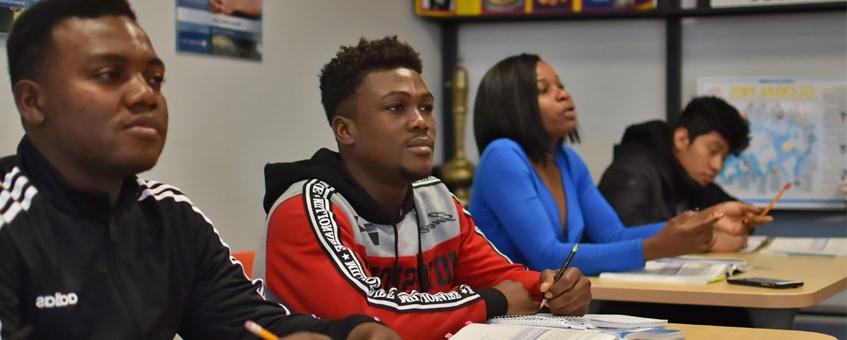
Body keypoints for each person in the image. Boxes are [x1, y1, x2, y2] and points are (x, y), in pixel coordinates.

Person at [0, 1, 396, 339]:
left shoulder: (169, 218)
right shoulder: (10, 224)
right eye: (109, 75)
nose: (145, 95)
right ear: (33, 102)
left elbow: (254, 326)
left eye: (154, 79)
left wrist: (353, 331)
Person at [258, 37, 592, 340]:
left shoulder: (434, 197)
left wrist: (558, 288)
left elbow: (511, 280)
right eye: (396, 107)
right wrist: (494, 300)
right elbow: (368, 321)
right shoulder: (303, 209)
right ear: (345, 130)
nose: (421, 122)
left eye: (426, 107)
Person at [468, 54, 770, 275]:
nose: (563, 94)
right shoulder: (502, 156)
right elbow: (547, 256)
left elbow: (614, 234)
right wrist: (658, 247)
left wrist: (709, 217)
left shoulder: (567, 161)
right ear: (512, 105)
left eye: (560, 85)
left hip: (551, 306)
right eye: (543, 90)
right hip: (507, 313)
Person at [598, 97, 761, 250]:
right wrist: (708, 242)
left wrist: (743, 222)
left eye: (724, 157)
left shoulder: (692, 177)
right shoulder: (632, 169)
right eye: (713, 151)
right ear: (681, 139)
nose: (717, 165)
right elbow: (621, 237)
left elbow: (734, 216)